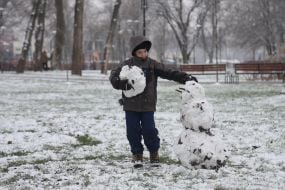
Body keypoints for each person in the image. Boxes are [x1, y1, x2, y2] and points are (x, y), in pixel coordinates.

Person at [109, 35, 198, 167]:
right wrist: (122, 84)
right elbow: (114, 76)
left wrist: (185, 78)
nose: (143, 54)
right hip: (130, 105)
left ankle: (154, 153)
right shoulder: (126, 65)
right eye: (140, 52)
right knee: (132, 131)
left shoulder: (152, 64)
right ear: (134, 53)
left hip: (147, 105)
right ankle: (137, 154)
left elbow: (168, 72)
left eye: (145, 51)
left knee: (149, 130)